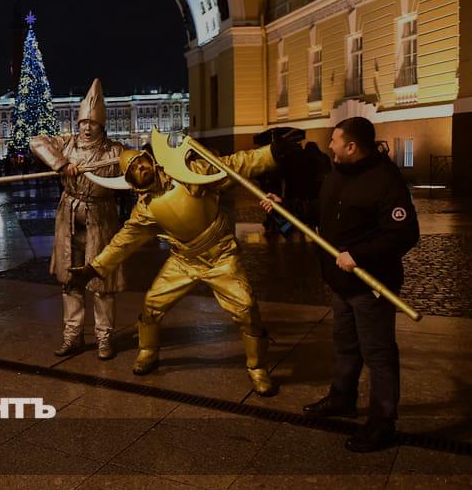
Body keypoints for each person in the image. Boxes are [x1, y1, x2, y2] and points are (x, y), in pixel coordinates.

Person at [66, 130, 302, 395]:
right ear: (130, 181)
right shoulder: (144, 210)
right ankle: (148, 350)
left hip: (221, 257)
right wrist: (93, 269)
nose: (141, 167)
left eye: (142, 161)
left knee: (246, 308)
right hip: (184, 261)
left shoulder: (189, 172)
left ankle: (257, 367)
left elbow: (234, 165)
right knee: (152, 304)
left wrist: (270, 154)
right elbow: (123, 242)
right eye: (134, 169)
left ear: (151, 160)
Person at [261, 116, 419, 451]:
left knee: (378, 353)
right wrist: (284, 207)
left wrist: (358, 255)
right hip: (340, 282)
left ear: (352, 146)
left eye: (335, 140)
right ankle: (342, 398)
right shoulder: (337, 174)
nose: (329, 145)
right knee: (345, 345)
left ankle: (382, 421)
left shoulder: (385, 180)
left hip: (370, 285)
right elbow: (321, 210)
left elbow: (404, 234)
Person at [29, 78, 125, 360]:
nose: (86, 127)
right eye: (83, 122)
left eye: (92, 123)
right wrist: (62, 164)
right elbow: (37, 142)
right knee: (70, 280)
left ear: (101, 125)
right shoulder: (67, 144)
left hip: (101, 217)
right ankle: (72, 335)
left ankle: (104, 337)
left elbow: (134, 168)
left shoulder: (114, 151)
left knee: (102, 282)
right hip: (69, 218)